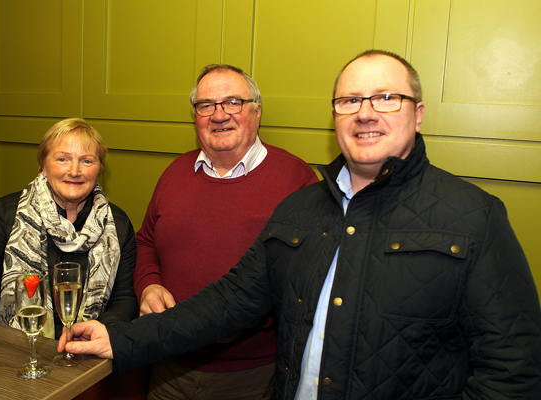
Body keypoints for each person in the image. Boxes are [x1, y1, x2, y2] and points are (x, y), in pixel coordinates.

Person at [59, 51, 541, 399]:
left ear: (417, 114)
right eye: (349, 100)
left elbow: (513, 370)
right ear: (334, 116)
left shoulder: (474, 216)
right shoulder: (304, 210)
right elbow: (226, 302)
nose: (366, 112)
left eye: (386, 98)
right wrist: (119, 339)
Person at [134, 64, 318, 399]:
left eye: (233, 102)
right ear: (195, 117)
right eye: (206, 105)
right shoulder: (174, 173)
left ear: (257, 111)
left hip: (252, 375)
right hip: (168, 364)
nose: (219, 115)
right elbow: (146, 240)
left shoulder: (297, 180)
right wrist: (149, 285)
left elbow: (310, 277)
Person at [0, 118, 138, 339]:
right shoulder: (6, 214)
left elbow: (124, 299)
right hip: (10, 348)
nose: (74, 171)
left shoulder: (117, 223)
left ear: (100, 169)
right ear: (43, 164)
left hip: (87, 351)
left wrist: (94, 336)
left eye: (87, 161)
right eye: (62, 159)